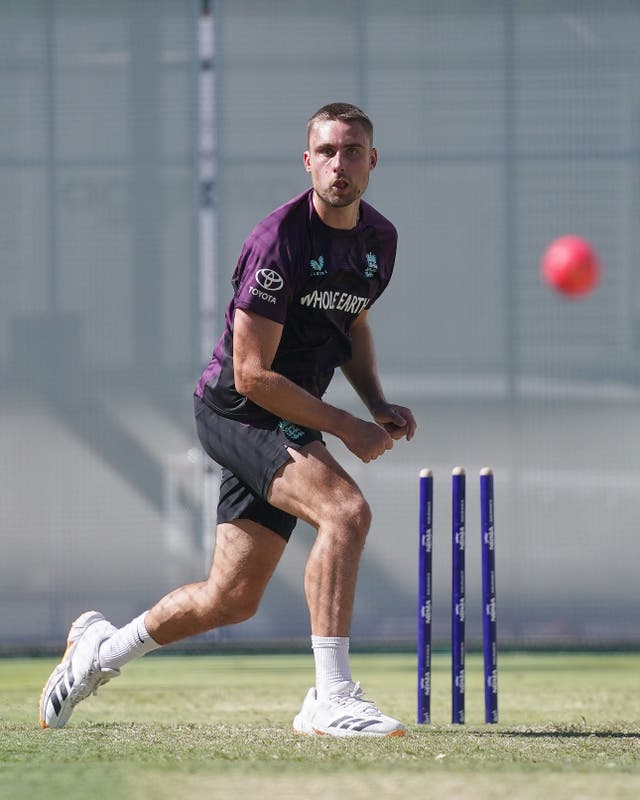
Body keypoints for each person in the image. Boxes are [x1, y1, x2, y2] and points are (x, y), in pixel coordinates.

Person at [39, 102, 416, 738]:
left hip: (287, 416)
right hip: (238, 409)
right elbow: (251, 375)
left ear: (372, 162)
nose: (339, 164)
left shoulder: (379, 241)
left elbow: (350, 323)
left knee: (231, 599)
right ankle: (331, 697)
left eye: (352, 152)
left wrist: (375, 401)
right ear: (307, 162)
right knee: (345, 512)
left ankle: (97, 652)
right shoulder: (280, 242)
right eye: (326, 152)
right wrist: (348, 427)